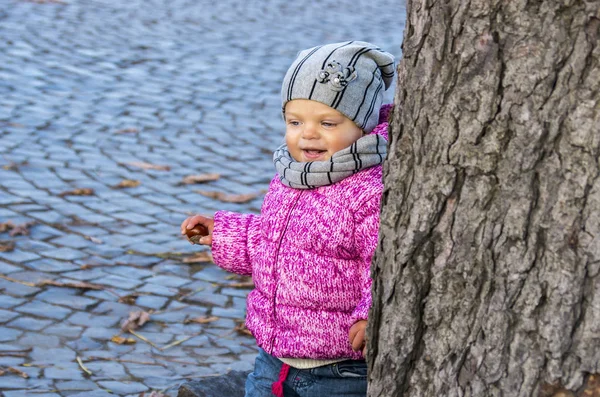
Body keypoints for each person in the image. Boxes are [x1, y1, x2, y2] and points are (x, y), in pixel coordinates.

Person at [180, 41, 395, 397]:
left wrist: (372, 315)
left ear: (363, 125)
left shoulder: (367, 191)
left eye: (328, 122)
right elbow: (274, 241)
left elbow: (383, 263)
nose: (308, 134)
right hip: (274, 357)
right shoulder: (291, 176)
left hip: (339, 369)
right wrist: (223, 234)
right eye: (295, 121)